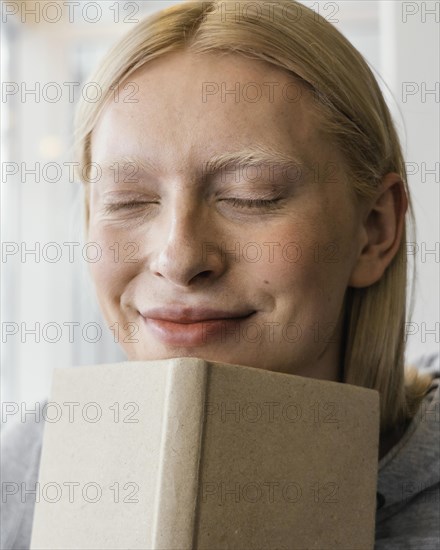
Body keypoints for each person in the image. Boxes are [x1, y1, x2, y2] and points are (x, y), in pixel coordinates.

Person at [1, 1, 439, 548]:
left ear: (373, 231)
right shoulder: (31, 467)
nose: (179, 258)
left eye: (249, 197)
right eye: (129, 201)